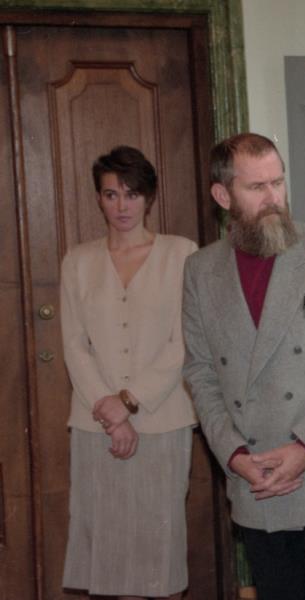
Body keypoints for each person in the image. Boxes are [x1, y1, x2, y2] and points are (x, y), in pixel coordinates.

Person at [181, 133, 305, 600]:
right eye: (257, 187)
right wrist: (233, 456)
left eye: (278, 182)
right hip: (256, 479)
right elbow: (200, 372)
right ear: (222, 195)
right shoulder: (200, 270)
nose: (273, 198)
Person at [60, 146, 198, 599]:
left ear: (149, 197)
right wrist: (110, 411)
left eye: (132, 194)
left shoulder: (182, 254)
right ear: (98, 199)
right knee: (109, 549)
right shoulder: (77, 261)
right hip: (95, 425)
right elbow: (74, 344)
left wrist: (129, 402)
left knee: (157, 549)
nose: (122, 205)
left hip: (162, 420)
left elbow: (184, 341)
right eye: (111, 194)